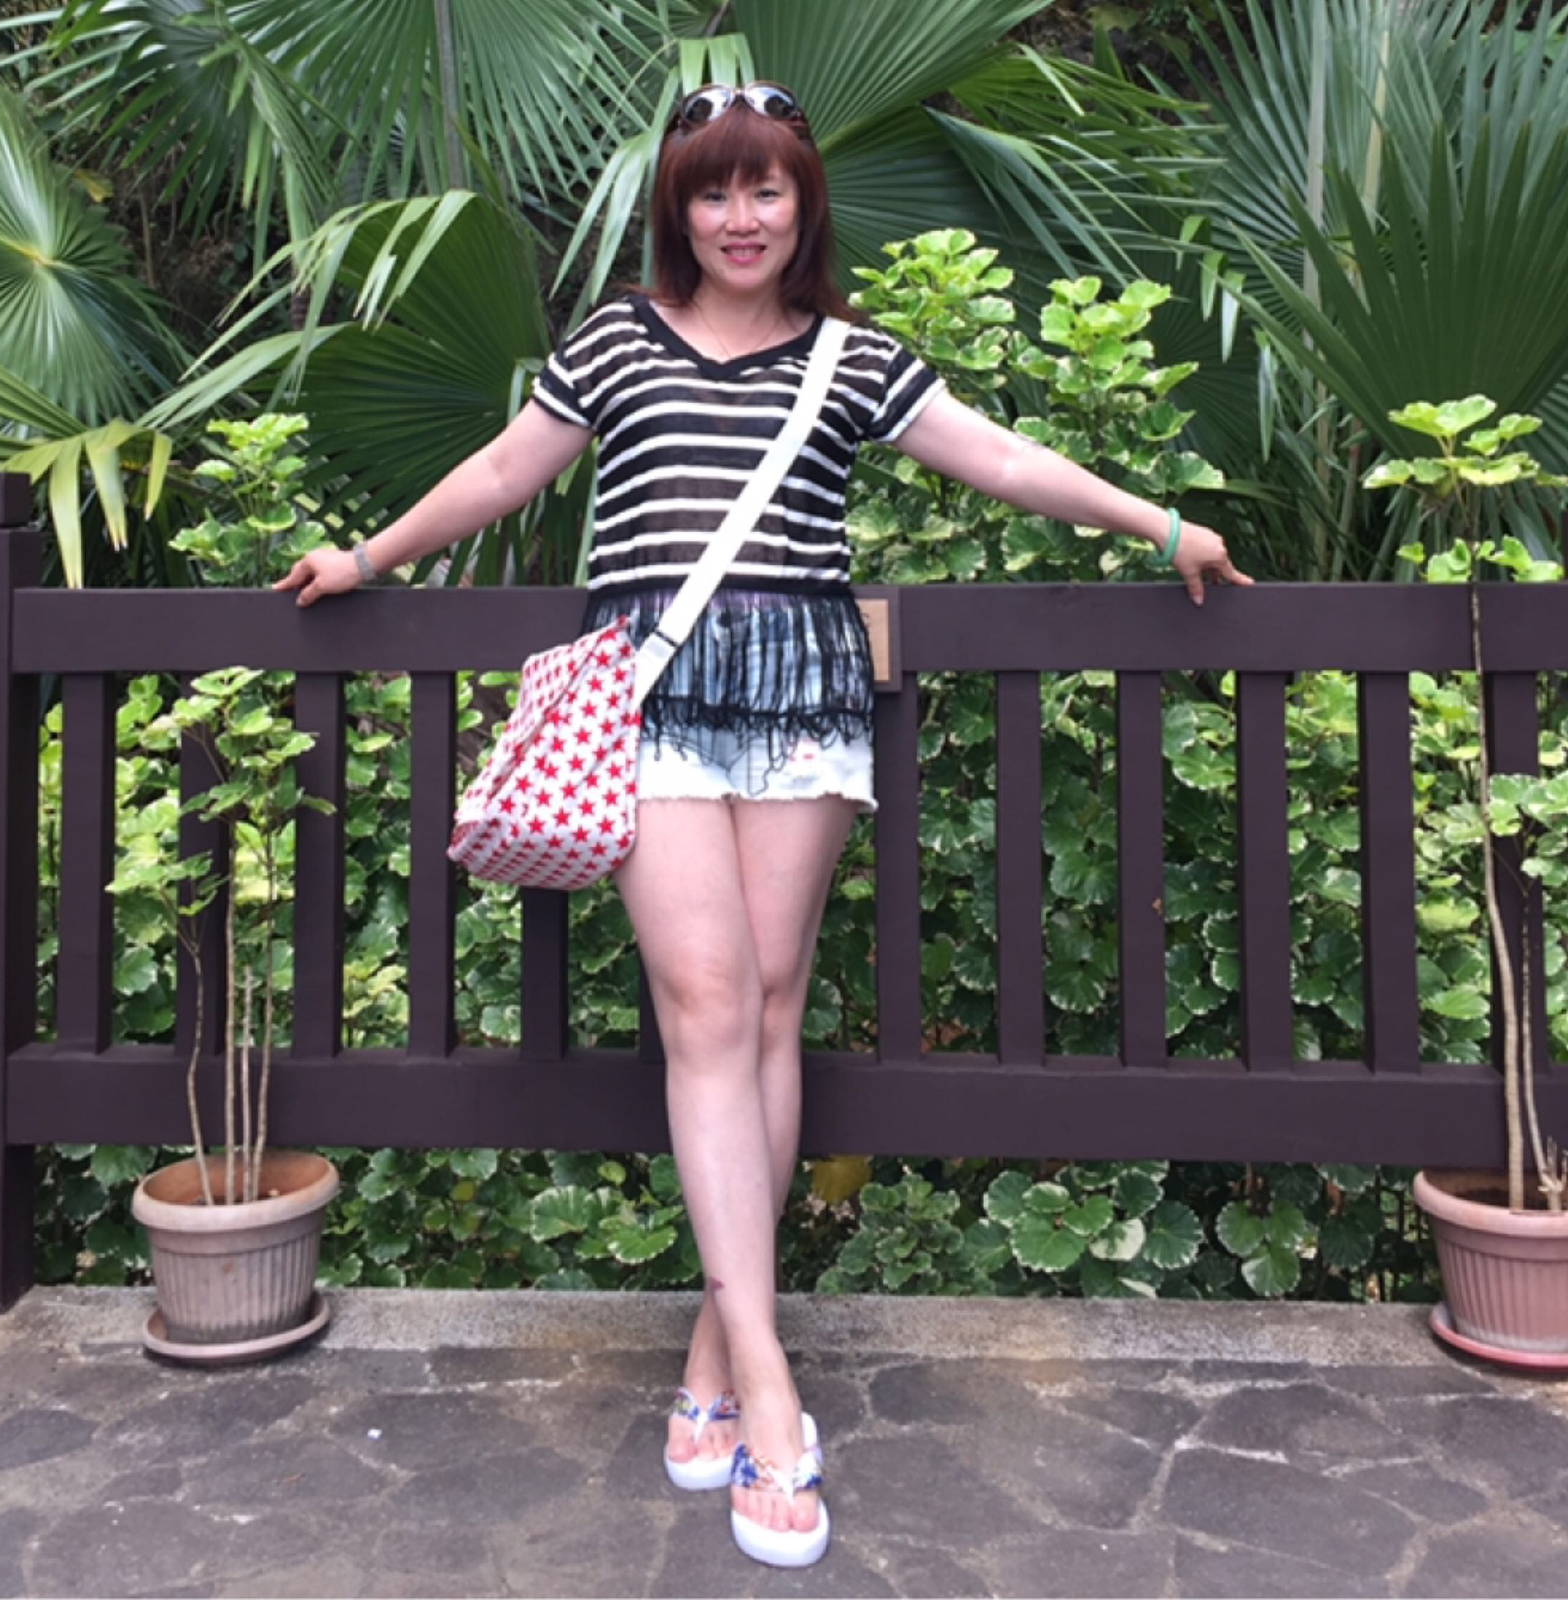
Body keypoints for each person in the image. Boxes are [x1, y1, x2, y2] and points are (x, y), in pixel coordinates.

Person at [276, 80, 1253, 1567]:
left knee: (774, 1007)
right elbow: (504, 469)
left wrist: (1159, 522)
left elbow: (997, 456)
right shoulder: (615, 340)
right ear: (679, 210)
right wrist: (370, 554)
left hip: (801, 698)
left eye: (767, 189)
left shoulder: (855, 358)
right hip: (651, 696)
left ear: (804, 204)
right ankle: (773, 1383)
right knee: (709, 1000)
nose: (741, 218)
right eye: (713, 192)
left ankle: (715, 1350)